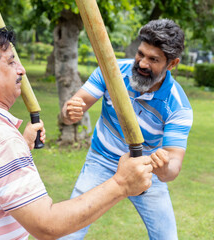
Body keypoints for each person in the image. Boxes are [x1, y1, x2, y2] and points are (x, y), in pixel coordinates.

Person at [0, 23, 153, 240]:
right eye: (11, 62)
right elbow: (47, 225)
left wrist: (19, 145)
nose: (21, 70)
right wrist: (122, 183)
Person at [60, 19, 193, 239]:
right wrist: (69, 112)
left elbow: (173, 167)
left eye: (154, 59)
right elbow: (72, 109)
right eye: (141, 54)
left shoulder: (178, 106)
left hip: (146, 169)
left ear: (172, 64)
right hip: (101, 160)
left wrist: (163, 167)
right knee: (68, 231)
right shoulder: (111, 72)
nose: (142, 64)